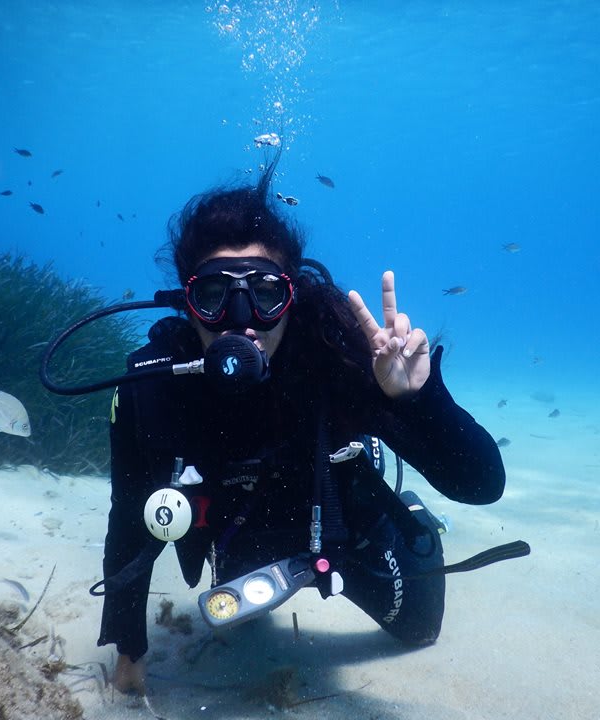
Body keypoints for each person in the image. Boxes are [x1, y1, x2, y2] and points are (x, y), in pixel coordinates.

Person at [96, 158, 506, 694]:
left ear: (292, 299)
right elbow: (129, 519)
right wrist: (130, 650)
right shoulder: (153, 388)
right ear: (187, 302)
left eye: (265, 294)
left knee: (418, 630)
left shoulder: (334, 357)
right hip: (236, 532)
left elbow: (482, 485)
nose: (242, 318)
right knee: (240, 619)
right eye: (214, 295)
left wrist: (417, 399)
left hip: (343, 525)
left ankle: (396, 502)